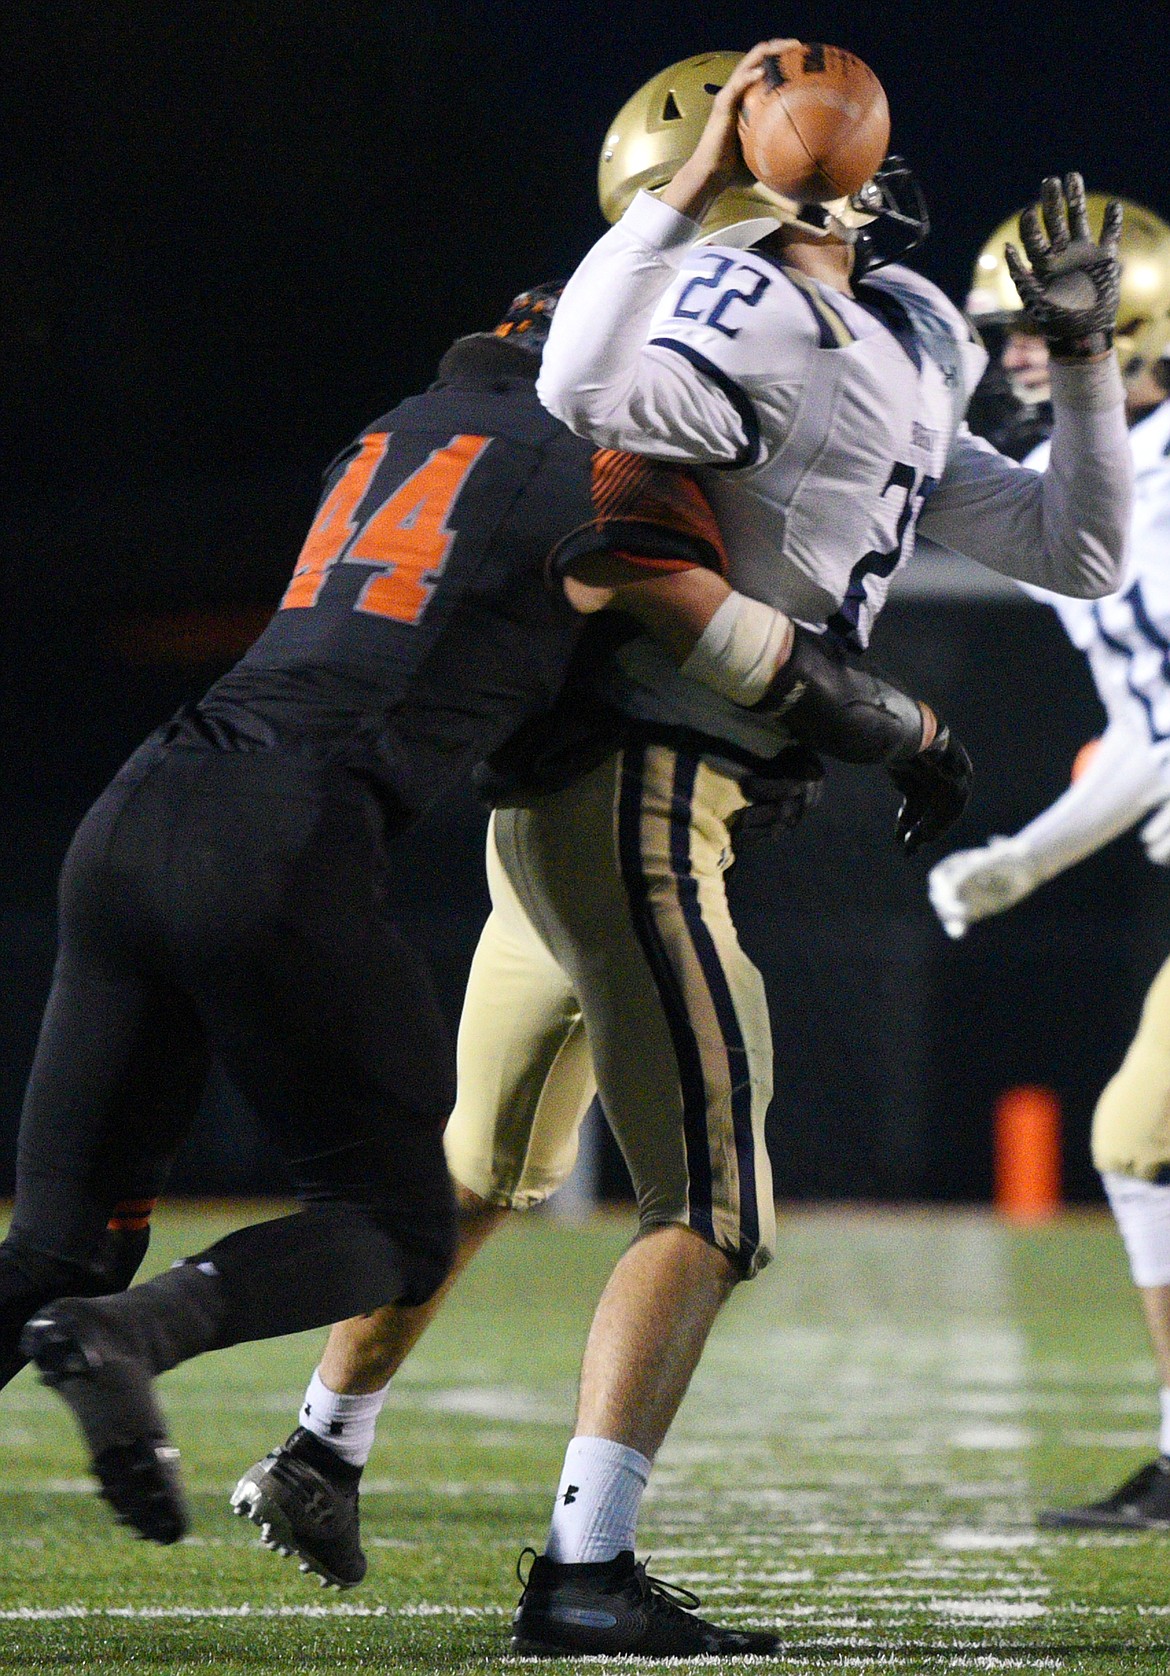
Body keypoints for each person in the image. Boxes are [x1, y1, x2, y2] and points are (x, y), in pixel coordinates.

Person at [234, 42, 1132, 1658]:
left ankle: (319, 1442)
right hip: (641, 785)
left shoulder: (910, 323)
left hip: (616, 800)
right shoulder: (706, 300)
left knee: (481, 1166)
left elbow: (1072, 545)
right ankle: (585, 1574)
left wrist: (1075, 363)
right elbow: (585, 387)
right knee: (712, 1205)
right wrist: (690, 193)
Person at [12, 280, 904, 1557]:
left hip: (138, 806)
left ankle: (109, 1321)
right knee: (394, 1224)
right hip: (288, 835)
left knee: (57, 1244)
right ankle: (139, 1333)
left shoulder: (389, 433)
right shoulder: (606, 474)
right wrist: (895, 735)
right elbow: (738, 661)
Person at [929, 317, 1170, 1528]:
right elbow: (1146, 726)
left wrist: (1031, 856)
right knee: (1141, 1138)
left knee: (1141, 1135)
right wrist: (1025, 859)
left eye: (1052, 329)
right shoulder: (1107, 491)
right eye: (1005, 331)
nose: (1022, 353)